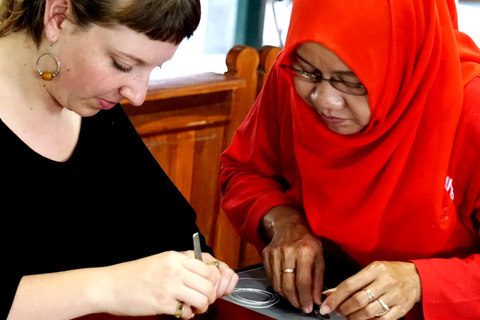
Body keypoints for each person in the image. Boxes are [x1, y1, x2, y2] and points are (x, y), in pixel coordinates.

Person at [219, 0, 480, 319]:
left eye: (352, 80)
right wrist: (282, 220)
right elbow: (243, 169)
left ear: (406, 62)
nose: (324, 100)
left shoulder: (470, 111)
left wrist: (419, 281)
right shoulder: (289, 79)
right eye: (310, 72)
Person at [0, 0, 238, 319]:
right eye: (124, 64)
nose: (137, 95)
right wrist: (110, 288)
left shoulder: (97, 111)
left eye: (153, 69)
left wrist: (200, 270)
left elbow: (176, 233)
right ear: (57, 18)